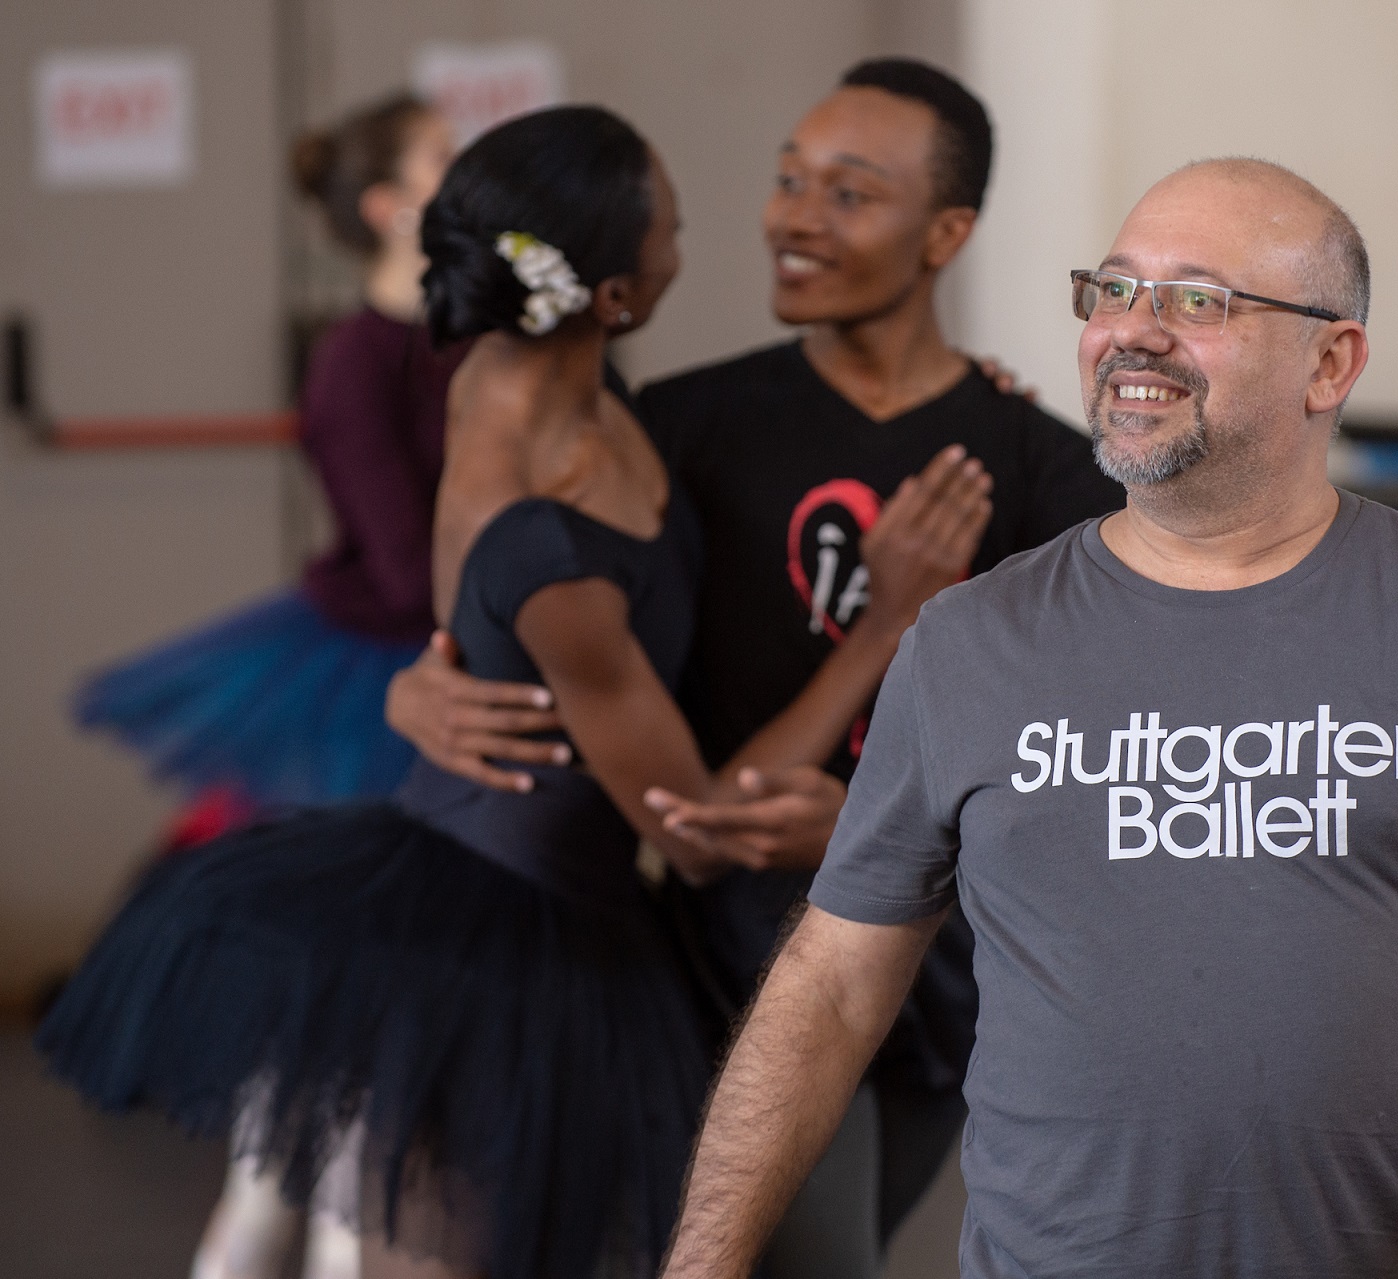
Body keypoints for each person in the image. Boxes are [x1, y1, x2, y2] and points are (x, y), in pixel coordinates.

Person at [658, 159, 1398, 1279]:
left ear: (1330, 362)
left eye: (1198, 300)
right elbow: (829, 984)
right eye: (1114, 290)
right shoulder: (967, 641)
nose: (1134, 332)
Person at [37, 105, 990, 1279]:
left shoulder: (544, 376)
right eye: (672, 226)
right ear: (614, 294)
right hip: (496, 942)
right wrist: (885, 626)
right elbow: (692, 829)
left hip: (567, 903)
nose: (696, 240)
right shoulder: (550, 543)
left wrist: (965, 397)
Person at [385, 58, 1124, 1273]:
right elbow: (534, 605)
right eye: (789, 181)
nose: (794, 217)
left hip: (948, 977)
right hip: (726, 962)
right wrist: (422, 687)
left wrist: (891, 826)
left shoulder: (1040, 467)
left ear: (947, 233)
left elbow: (1095, 761)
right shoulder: (674, 429)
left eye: (849, 192)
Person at [74, 95, 461, 853]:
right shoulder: (356, 363)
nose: (471, 174)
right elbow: (405, 567)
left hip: (461, 630)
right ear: (389, 207)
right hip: (395, 649)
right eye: (445, 158)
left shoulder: (475, 339)